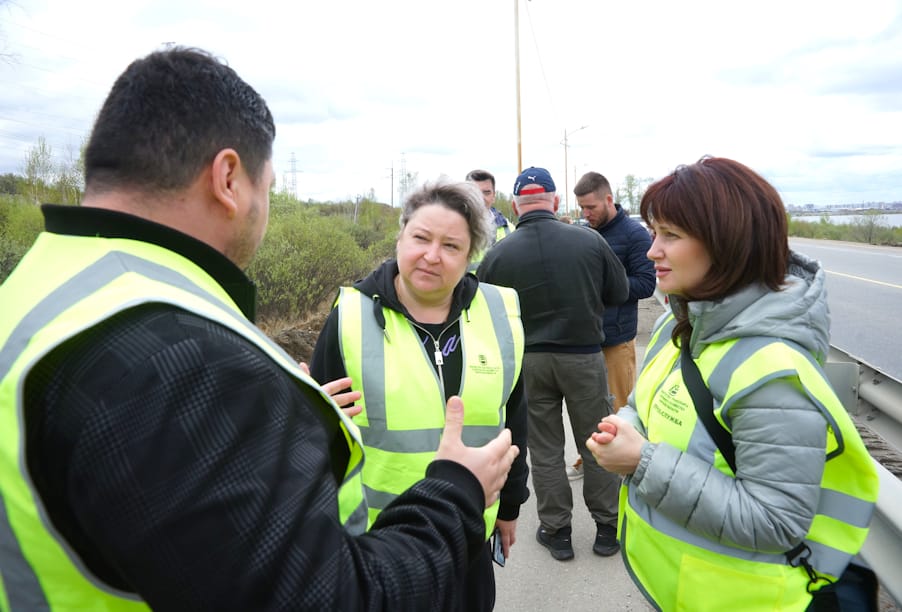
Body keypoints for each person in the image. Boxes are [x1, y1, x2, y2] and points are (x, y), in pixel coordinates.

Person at [0, 46, 520, 611]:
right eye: (268, 185)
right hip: (408, 545)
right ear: (228, 178)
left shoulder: (43, 288)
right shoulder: (183, 353)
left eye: (452, 245)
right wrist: (455, 491)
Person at [587, 156, 879, 611]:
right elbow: (646, 406)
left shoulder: (772, 373)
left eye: (671, 235)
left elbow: (776, 521)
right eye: (653, 232)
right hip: (682, 589)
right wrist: (623, 427)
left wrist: (640, 460)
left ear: (726, 244)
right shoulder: (678, 325)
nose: (651, 251)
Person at [311, 178, 529, 611]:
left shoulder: (500, 313)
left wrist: (510, 504)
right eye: (421, 238)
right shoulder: (351, 315)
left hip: (468, 530)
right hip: (382, 540)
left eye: (451, 246)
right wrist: (316, 416)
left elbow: (514, 418)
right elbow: (317, 432)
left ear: (470, 256)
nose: (431, 256)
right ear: (400, 237)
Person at [477, 166, 629, 562]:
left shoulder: (498, 253)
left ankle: (557, 531)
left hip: (530, 361)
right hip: (582, 356)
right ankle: (607, 529)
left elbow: (481, 308)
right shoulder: (589, 241)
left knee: (544, 448)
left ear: (515, 205)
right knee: (596, 441)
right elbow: (620, 291)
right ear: (556, 201)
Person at [566, 171, 656, 481]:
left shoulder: (634, 234)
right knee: (587, 407)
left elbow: (646, 283)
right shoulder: (582, 233)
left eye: (590, 207)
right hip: (585, 339)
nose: (585, 214)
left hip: (617, 339)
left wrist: (601, 287)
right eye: (581, 208)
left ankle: (624, 467)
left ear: (608, 200)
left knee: (619, 406)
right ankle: (588, 460)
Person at [465, 169, 514, 272]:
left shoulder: (510, 230)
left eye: (486, 193)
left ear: (493, 196)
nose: (481, 198)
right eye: (475, 192)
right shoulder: (452, 228)